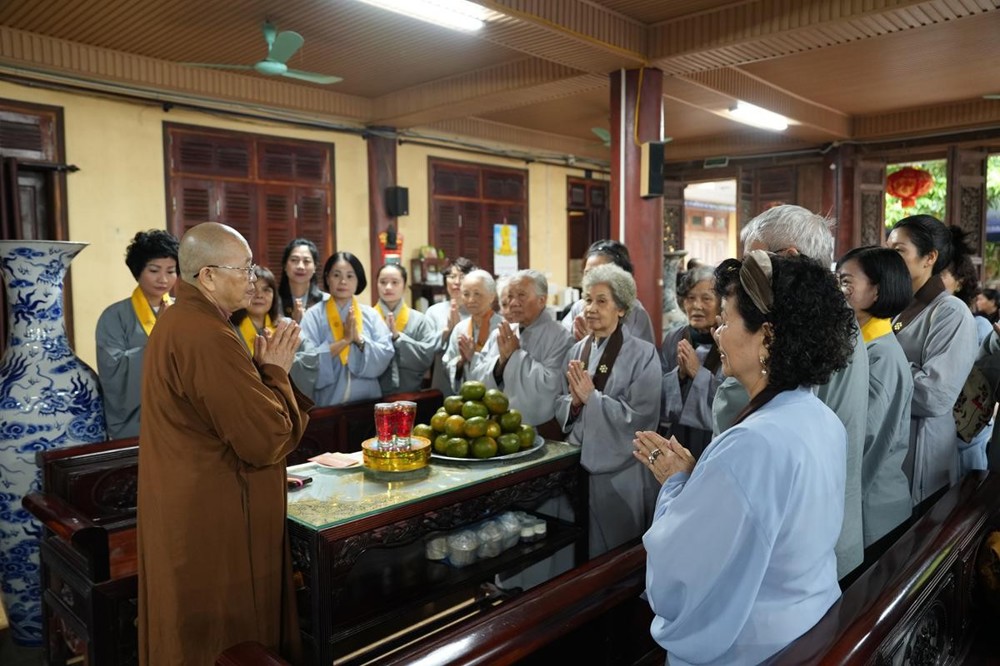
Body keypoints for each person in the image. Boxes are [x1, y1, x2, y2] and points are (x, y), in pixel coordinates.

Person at [633, 251, 854, 665]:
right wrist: (703, 479)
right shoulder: (820, 417)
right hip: (805, 623)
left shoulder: (753, 444)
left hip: (752, 646)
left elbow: (683, 572)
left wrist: (678, 485)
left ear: (766, 336)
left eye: (727, 320)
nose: (718, 333)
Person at [137, 222, 312, 665]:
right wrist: (276, 372)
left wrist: (260, 373)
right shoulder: (206, 334)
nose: (253, 279)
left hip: (189, 499)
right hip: (216, 511)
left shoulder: (181, 319)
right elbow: (265, 440)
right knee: (226, 634)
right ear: (209, 276)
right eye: (245, 269)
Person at [712, 204, 868, 580]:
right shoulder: (837, 318)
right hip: (827, 527)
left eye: (750, 263)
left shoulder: (782, 336)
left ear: (788, 258)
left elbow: (735, 431)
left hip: (786, 548)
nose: (744, 278)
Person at [555, 263, 661, 555]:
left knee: (616, 550)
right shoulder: (576, 350)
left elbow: (641, 417)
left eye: (601, 301)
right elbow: (561, 401)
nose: (591, 308)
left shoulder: (643, 353)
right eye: (588, 299)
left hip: (620, 469)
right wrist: (575, 404)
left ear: (622, 308)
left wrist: (593, 399)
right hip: (577, 462)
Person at [887, 216, 977, 503]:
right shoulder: (897, 308)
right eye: (888, 249)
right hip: (891, 446)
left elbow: (933, 395)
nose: (889, 258)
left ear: (930, 257)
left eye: (899, 250)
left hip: (922, 457)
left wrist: (878, 371)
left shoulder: (951, 312)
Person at [836, 246, 913, 548]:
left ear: (877, 291)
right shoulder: (861, 344)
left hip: (872, 510)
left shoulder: (882, 357)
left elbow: (866, 440)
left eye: (846, 282)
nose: (838, 290)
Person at [468, 270, 574, 435]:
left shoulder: (561, 337)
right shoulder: (502, 333)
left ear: (542, 300)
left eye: (521, 295)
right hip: (495, 428)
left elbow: (552, 387)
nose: (513, 303)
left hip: (539, 430)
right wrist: (500, 364)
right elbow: (477, 377)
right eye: (510, 296)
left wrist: (515, 356)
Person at [95, 229, 179, 439]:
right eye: (154, 270)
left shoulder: (185, 311)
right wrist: (159, 336)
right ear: (138, 270)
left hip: (182, 420)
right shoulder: (114, 316)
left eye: (171, 271)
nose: (163, 279)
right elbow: (114, 370)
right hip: (137, 423)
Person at [296, 252, 394, 406]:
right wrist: (345, 341)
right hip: (327, 403)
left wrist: (359, 341)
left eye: (350, 276)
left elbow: (386, 352)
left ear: (358, 280)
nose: (343, 281)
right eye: (336, 275)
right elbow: (305, 359)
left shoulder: (371, 315)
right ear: (327, 278)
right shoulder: (312, 316)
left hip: (368, 401)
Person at [659, 265, 723, 459]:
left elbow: (732, 397)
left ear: (721, 303)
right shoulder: (674, 338)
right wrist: (679, 376)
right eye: (690, 298)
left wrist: (698, 373)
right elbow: (658, 392)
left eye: (706, 299)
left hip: (716, 440)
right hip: (677, 438)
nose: (697, 306)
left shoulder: (729, 339)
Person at [561, 240, 656, 346]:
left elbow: (638, 353)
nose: (593, 280)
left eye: (602, 274)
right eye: (588, 274)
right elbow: (560, 345)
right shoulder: (579, 307)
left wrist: (593, 343)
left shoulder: (636, 313)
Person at [373, 263, 437, 394]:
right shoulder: (368, 318)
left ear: (404, 286)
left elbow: (427, 357)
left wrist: (398, 338)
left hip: (411, 392)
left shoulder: (419, 320)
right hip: (374, 394)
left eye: (395, 282)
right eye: (383, 282)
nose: (388, 287)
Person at [442, 269, 502, 393]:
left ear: (492, 296)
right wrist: (461, 361)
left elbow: (505, 368)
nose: (470, 300)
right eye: (466, 294)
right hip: (467, 397)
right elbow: (447, 363)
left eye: (477, 294)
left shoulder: (503, 327)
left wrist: (473, 357)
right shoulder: (460, 328)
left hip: (495, 396)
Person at [425, 257, 475, 394]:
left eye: (462, 277)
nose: (457, 282)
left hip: (473, 378)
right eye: (452, 276)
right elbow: (425, 349)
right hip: (442, 379)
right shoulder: (434, 311)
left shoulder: (477, 311)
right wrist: (447, 331)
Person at [230, 265, 281, 355]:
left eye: (266, 290)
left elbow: (307, 356)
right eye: (253, 290)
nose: (259, 295)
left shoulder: (286, 326)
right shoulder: (230, 330)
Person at [277, 238, 326, 322]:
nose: (300, 266)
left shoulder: (325, 301)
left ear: (315, 267)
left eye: (306, 261)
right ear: (284, 265)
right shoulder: (273, 300)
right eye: (294, 260)